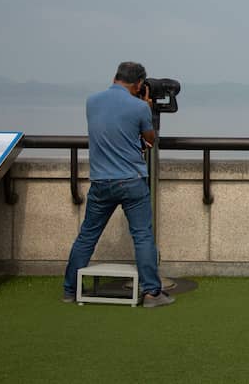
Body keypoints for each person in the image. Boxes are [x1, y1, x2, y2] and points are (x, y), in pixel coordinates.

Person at [62, 62, 174, 307]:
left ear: (115, 77)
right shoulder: (139, 107)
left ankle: (70, 290)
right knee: (143, 236)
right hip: (131, 180)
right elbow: (150, 140)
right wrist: (146, 107)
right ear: (138, 84)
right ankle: (152, 294)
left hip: (101, 181)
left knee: (87, 236)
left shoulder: (92, 101)